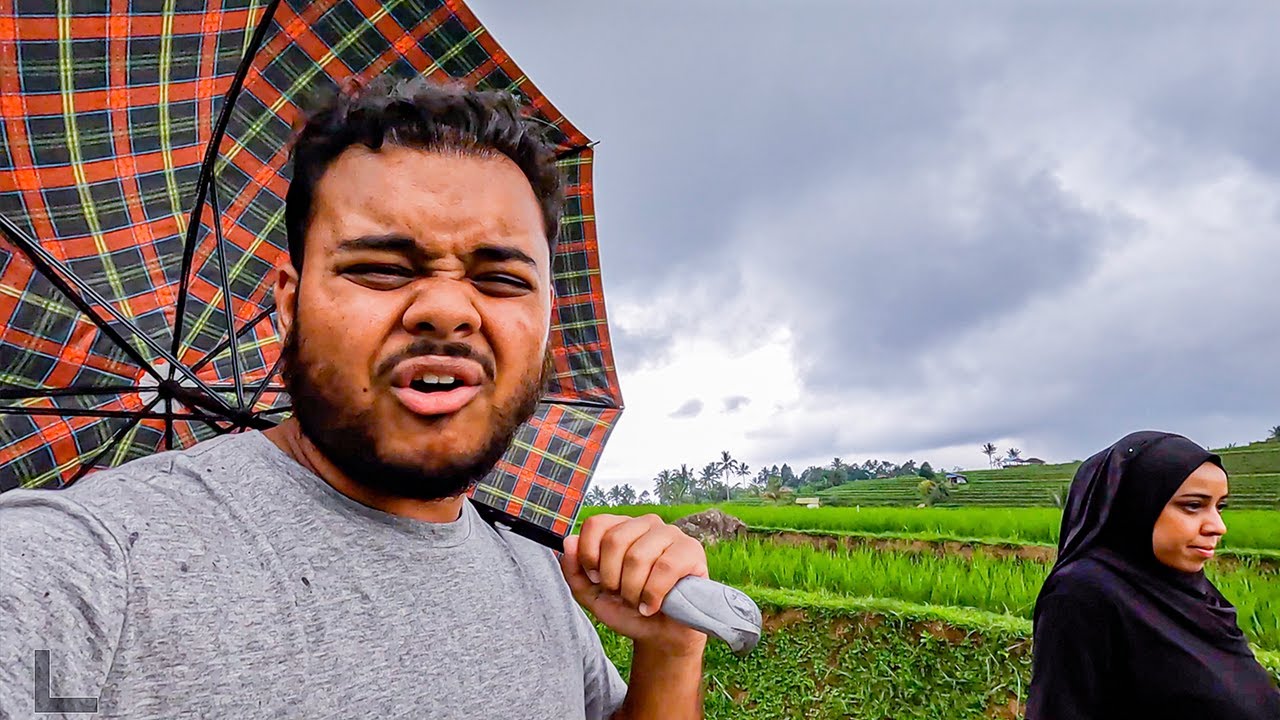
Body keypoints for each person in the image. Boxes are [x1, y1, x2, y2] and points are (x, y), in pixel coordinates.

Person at [0, 78, 709, 719]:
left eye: (500, 279)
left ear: (548, 316)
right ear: (288, 301)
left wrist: (669, 652)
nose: (445, 309)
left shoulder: (540, 578)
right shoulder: (85, 572)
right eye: (379, 269)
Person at [1026, 430, 1280, 719]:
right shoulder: (1084, 593)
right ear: (1136, 506)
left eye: (1219, 507)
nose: (1217, 526)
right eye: (1193, 506)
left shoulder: (1192, 593)